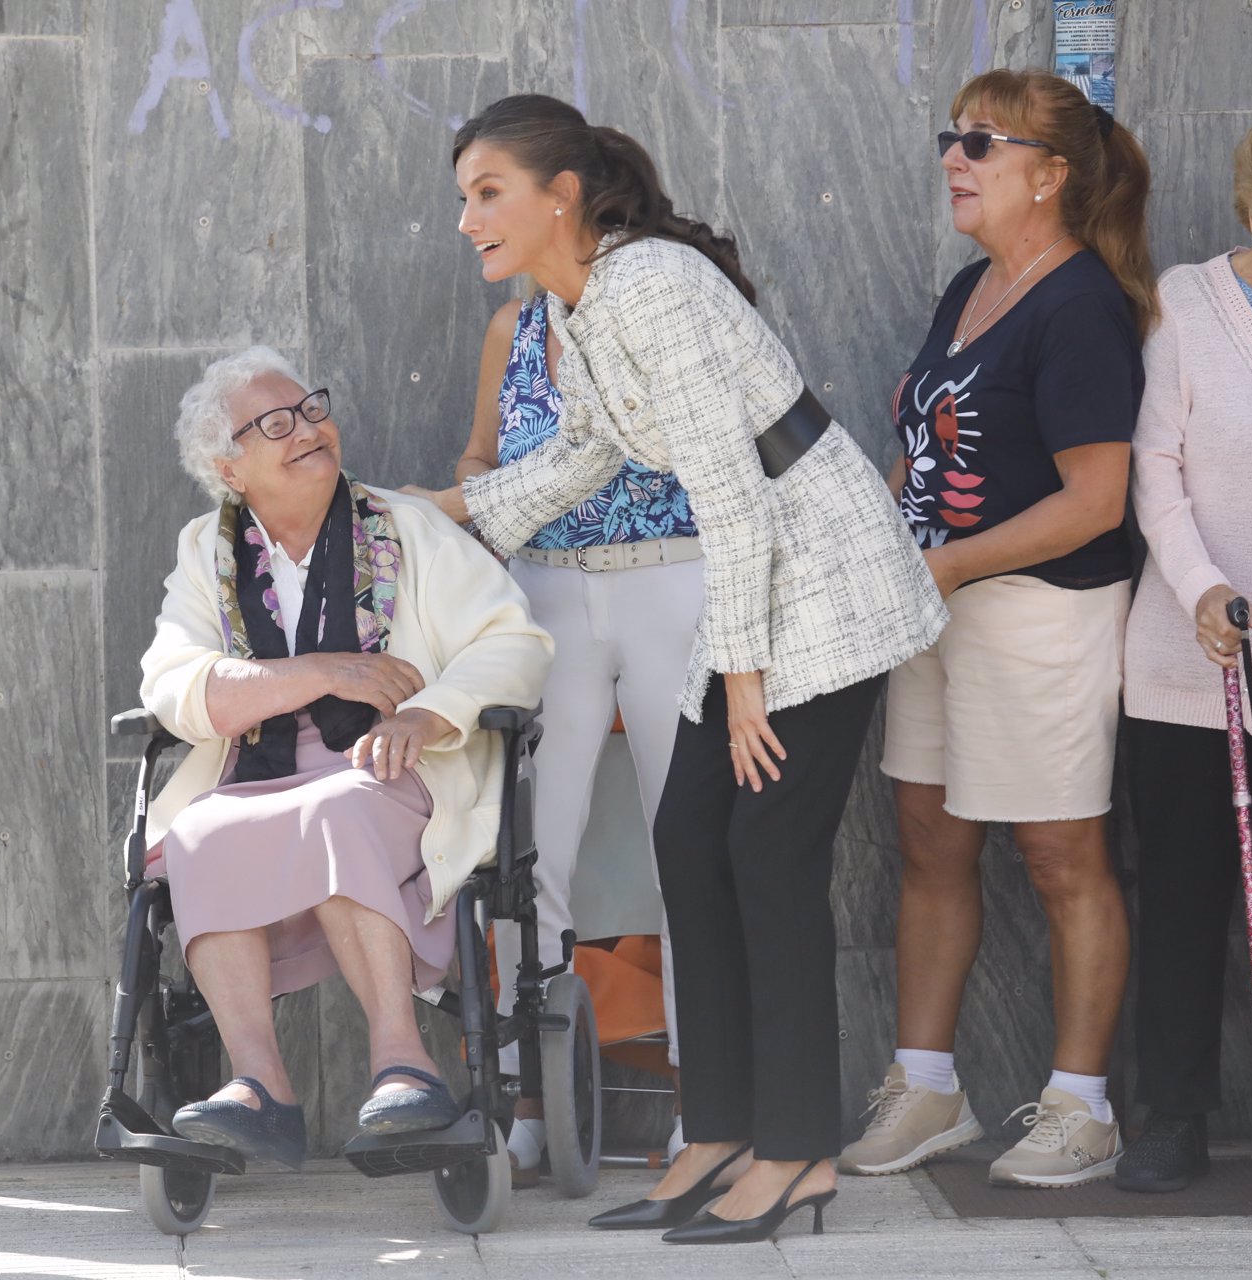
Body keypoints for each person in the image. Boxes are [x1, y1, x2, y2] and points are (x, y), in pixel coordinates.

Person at [412, 93, 946, 1244]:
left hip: (824, 587)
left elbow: (731, 487)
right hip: (765, 597)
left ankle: (796, 1152)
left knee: (765, 857)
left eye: (486, 192)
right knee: (686, 843)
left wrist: (743, 679)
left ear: (562, 195)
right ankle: (719, 1132)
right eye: (463, 197)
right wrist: (434, 513)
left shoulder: (650, 283)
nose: (467, 219)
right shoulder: (578, 301)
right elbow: (580, 456)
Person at [840, 68, 1156, 1189]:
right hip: (937, 601)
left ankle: (1082, 1106)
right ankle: (928, 1085)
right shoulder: (970, 286)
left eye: (983, 142)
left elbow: (1094, 500)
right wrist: (878, 549)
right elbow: (922, 447)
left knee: (1063, 853)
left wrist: (946, 563)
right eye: (952, 137)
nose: (955, 159)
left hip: (1037, 612)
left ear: (1053, 175)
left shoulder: (1081, 307)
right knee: (929, 841)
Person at [140, 347, 550, 1167]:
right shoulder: (206, 551)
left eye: (312, 409)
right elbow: (175, 683)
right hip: (252, 771)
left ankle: (404, 1061)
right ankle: (260, 1086)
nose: (308, 430)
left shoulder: (407, 526)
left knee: (338, 806)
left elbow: (515, 641)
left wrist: (431, 715)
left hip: (392, 766)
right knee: (196, 835)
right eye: (276, 424)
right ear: (231, 466)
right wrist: (324, 673)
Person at [1115, 96, 1252, 1194]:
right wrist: (1201, 586)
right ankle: (1172, 1113)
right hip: (1200, 649)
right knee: (1191, 881)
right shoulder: (1190, 305)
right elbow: (1155, 469)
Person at [453, 278, 698, 1182]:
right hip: (546, 587)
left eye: (489, 193)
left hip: (672, 575)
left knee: (688, 847)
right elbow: (482, 458)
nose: (473, 218)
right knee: (528, 853)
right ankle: (526, 1099)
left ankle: (700, 1103)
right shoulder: (511, 329)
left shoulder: (660, 307)